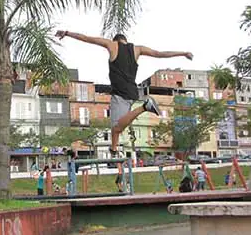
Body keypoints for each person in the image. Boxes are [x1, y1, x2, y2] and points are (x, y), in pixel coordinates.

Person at [55, 30, 193, 159]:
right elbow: (159, 53)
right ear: (126, 40)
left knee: (116, 127)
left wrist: (67, 33)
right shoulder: (137, 49)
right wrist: (183, 53)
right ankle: (114, 149)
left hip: (120, 93)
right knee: (116, 128)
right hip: (132, 92)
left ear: (116, 40)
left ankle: (145, 107)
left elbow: (88, 39)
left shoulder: (112, 45)